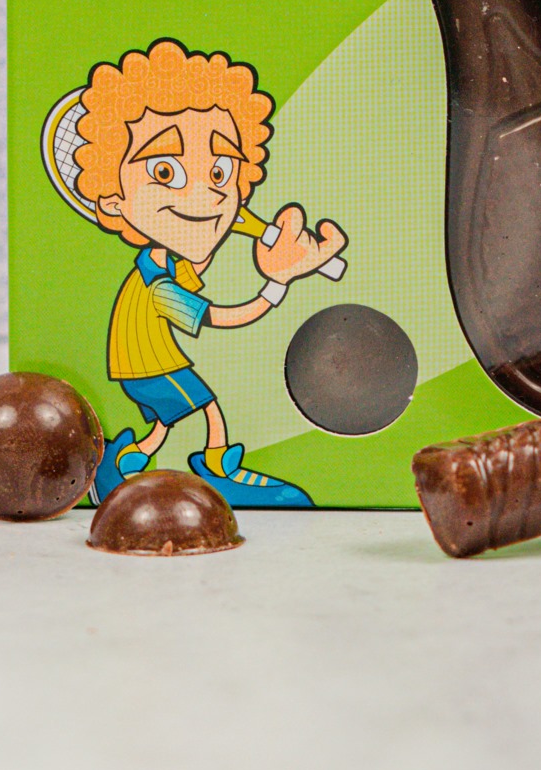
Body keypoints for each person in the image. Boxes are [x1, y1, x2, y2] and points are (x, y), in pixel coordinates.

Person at [70, 39, 345, 508]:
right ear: (114, 202)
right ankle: (218, 467)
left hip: (143, 364)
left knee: (164, 422)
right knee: (207, 408)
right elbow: (222, 317)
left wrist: (263, 243)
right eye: (165, 172)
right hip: (150, 365)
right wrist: (278, 281)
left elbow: (201, 252)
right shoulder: (157, 286)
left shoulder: (166, 260)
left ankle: (120, 462)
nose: (208, 195)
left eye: (219, 172)